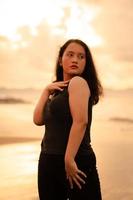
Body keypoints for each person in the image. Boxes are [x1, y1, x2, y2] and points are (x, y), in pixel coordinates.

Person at [33, 39, 103, 200]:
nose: (75, 60)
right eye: (70, 55)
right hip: (49, 160)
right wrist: (45, 91)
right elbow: (38, 119)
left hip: (75, 160)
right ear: (60, 60)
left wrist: (69, 159)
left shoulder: (78, 83)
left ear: (86, 62)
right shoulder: (57, 89)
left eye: (81, 57)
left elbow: (81, 121)